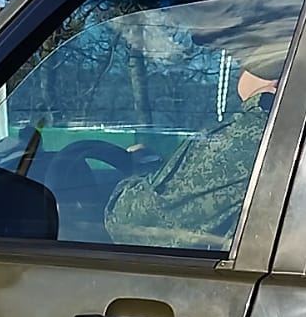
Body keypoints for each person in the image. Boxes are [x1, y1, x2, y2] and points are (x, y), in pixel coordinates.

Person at [103, 60, 281, 249]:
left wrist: (136, 173)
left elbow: (131, 223)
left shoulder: (253, 131)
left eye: (245, 57)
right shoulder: (287, 127)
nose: (239, 66)